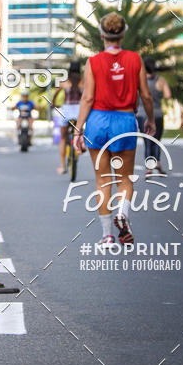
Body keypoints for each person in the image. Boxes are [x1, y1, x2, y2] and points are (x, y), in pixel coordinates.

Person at [74, 13, 155, 247]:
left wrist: (78, 129)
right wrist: (150, 120)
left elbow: (88, 98)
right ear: (123, 34)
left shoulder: (93, 61)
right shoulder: (135, 59)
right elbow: (146, 95)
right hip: (125, 121)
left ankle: (107, 235)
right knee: (125, 179)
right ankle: (123, 214)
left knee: (102, 181)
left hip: (97, 121)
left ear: (102, 35)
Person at [136, 56, 172, 176]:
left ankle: (148, 167)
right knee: (156, 140)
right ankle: (157, 162)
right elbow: (167, 95)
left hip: (141, 114)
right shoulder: (160, 80)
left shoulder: (139, 80)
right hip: (157, 114)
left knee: (147, 141)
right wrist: (158, 95)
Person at [53, 60, 83, 174]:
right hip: (79, 112)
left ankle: (62, 166)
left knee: (63, 138)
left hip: (66, 112)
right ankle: (81, 142)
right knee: (81, 130)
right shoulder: (83, 83)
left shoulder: (64, 83)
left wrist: (53, 103)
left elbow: (56, 94)